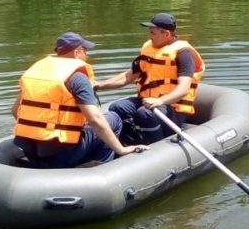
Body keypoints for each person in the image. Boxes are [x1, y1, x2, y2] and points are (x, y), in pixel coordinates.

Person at [12, 31, 148, 168]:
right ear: (77, 52)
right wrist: (122, 150)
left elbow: (15, 110)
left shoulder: (35, 72)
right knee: (114, 119)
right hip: (61, 155)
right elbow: (95, 119)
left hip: (31, 151)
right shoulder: (77, 78)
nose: (87, 54)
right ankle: (101, 166)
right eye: (85, 50)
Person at [95, 13, 205, 144]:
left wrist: (160, 101)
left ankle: (156, 146)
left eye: (153, 33)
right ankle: (130, 142)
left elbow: (184, 88)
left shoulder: (184, 53)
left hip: (172, 107)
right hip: (149, 101)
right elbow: (128, 76)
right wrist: (99, 85)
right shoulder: (149, 49)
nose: (149, 36)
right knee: (118, 107)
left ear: (166, 34)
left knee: (145, 113)